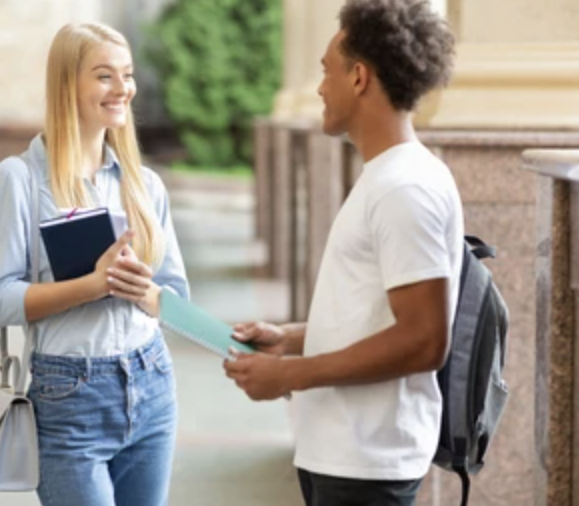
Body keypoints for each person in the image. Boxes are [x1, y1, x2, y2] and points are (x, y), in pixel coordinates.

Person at [224, 1, 460, 505]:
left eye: (326, 70)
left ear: (358, 77)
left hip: (367, 464)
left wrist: (289, 375)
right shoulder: (387, 177)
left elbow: (423, 339)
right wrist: (287, 340)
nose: (319, 88)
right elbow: (374, 320)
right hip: (344, 454)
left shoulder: (404, 188)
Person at [0, 23, 188, 506]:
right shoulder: (18, 181)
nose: (123, 89)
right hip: (68, 397)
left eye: (128, 75)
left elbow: (177, 298)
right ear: (67, 83)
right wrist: (92, 286)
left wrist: (145, 292)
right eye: (104, 76)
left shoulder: (145, 184)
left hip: (152, 383)